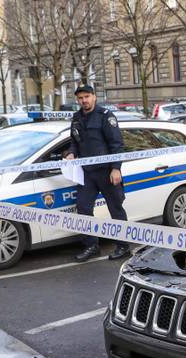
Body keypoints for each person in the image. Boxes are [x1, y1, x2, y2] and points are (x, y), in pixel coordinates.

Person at [64, 84, 130, 261]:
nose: (84, 100)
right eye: (80, 98)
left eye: (87, 97)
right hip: (87, 173)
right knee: (83, 207)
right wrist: (71, 153)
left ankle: (123, 246)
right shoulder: (77, 118)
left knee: (115, 208)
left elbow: (117, 144)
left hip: (107, 171)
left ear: (94, 97)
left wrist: (116, 168)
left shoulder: (105, 116)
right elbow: (75, 142)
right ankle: (92, 245)